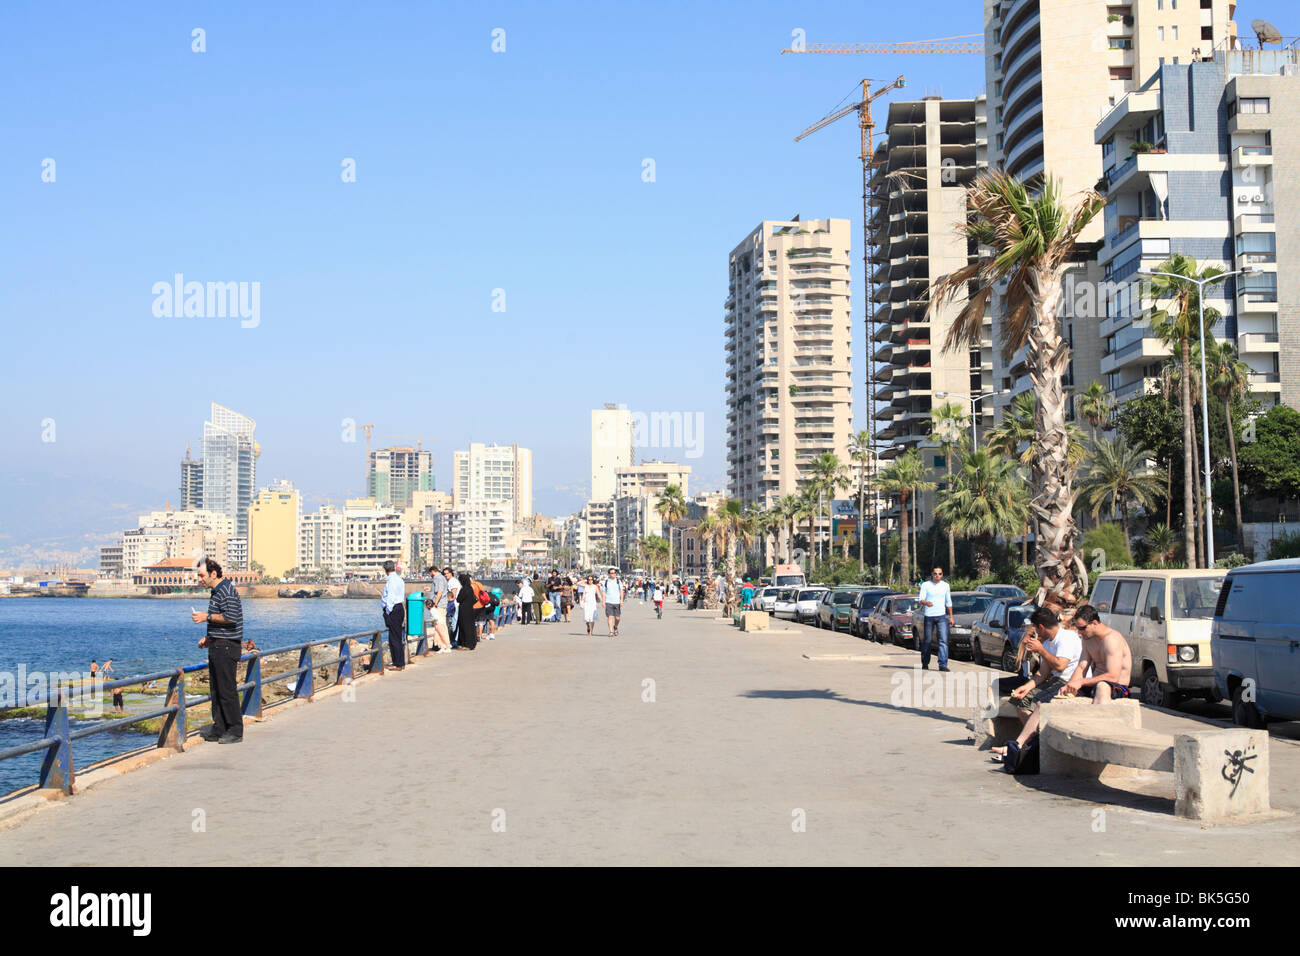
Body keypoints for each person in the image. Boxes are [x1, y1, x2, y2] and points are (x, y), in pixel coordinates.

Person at [992, 607, 1083, 760]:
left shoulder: (1066, 638)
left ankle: (1025, 745)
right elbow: (1043, 673)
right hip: (1055, 680)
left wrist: (1041, 650)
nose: (1036, 634)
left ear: (1041, 627)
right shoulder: (1048, 642)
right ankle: (1035, 741)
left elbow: (1060, 665)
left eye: (1036, 629)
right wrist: (1025, 687)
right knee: (1019, 700)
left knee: (1039, 704)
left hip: (1069, 682)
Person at [191, 557, 244, 744]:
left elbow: (231, 617)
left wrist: (206, 617)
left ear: (213, 574)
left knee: (227, 690)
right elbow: (223, 620)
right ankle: (219, 728)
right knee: (216, 689)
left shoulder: (226, 591)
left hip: (226, 647)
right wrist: (209, 638)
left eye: (201, 575)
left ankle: (235, 730)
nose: (199, 579)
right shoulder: (217, 591)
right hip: (218, 644)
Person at [1063, 604, 1133, 702]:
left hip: (1117, 687)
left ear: (1094, 623)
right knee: (1059, 696)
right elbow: (1082, 666)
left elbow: (1113, 676)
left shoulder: (1112, 640)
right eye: (1077, 628)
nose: (1079, 632)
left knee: (1102, 687)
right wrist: (1069, 685)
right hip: (1094, 685)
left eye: (1082, 628)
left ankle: (1100, 716)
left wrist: (1082, 681)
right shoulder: (1087, 638)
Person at [918, 567, 954, 672]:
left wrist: (951, 616)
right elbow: (921, 599)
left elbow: (948, 601)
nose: (937, 575)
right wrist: (926, 603)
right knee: (928, 640)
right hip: (929, 616)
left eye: (939, 573)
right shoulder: (926, 585)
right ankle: (925, 663)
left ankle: (942, 664)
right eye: (935, 573)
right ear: (932, 574)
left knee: (943, 640)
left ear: (942, 575)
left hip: (941, 616)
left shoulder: (945, 586)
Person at [380, 561, 406, 670]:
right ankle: (397, 661)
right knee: (395, 636)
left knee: (394, 638)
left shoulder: (391, 581)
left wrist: (388, 611)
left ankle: (399, 664)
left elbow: (390, 597)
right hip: (399, 607)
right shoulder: (400, 579)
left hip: (393, 609)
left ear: (385, 570)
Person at [426, 566, 452, 652]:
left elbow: (440, 592)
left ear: (432, 571)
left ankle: (446, 645)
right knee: (438, 626)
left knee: (441, 626)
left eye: (430, 573)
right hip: (440, 604)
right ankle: (441, 645)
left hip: (439, 605)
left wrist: (435, 603)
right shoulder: (441, 578)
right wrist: (430, 590)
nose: (430, 575)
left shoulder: (438, 578)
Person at [455, 572, 479, 650]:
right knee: (470, 627)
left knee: (464, 627)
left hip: (464, 611)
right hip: (470, 610)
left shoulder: (464, 589)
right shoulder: (470, 588)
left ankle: (465, 644)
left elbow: (458, 599)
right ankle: (470, 644)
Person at [603, 568, 624, 636]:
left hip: (617, 601)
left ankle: (615, 626)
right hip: (608, 601)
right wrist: (603, 601)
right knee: (610, 617)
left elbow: (621, 591)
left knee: (617, 618)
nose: (613, 574)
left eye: (614, 573)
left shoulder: (618, 581)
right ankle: (611, 631)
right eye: (612, 573)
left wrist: (621, 600)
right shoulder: (606, 582)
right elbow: (604, 592)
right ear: (609, 574)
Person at [443, 568, 460, 647]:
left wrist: (448, 604)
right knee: (454, 623)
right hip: (454, 604)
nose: (446, 575)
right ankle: (455, 640)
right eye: (444, 574)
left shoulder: (452, 581)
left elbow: (453, 595)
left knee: (454, 623)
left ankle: (455, 641)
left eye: (447, 573)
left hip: (454, 605)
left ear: (451, 573)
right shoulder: (451, 581)